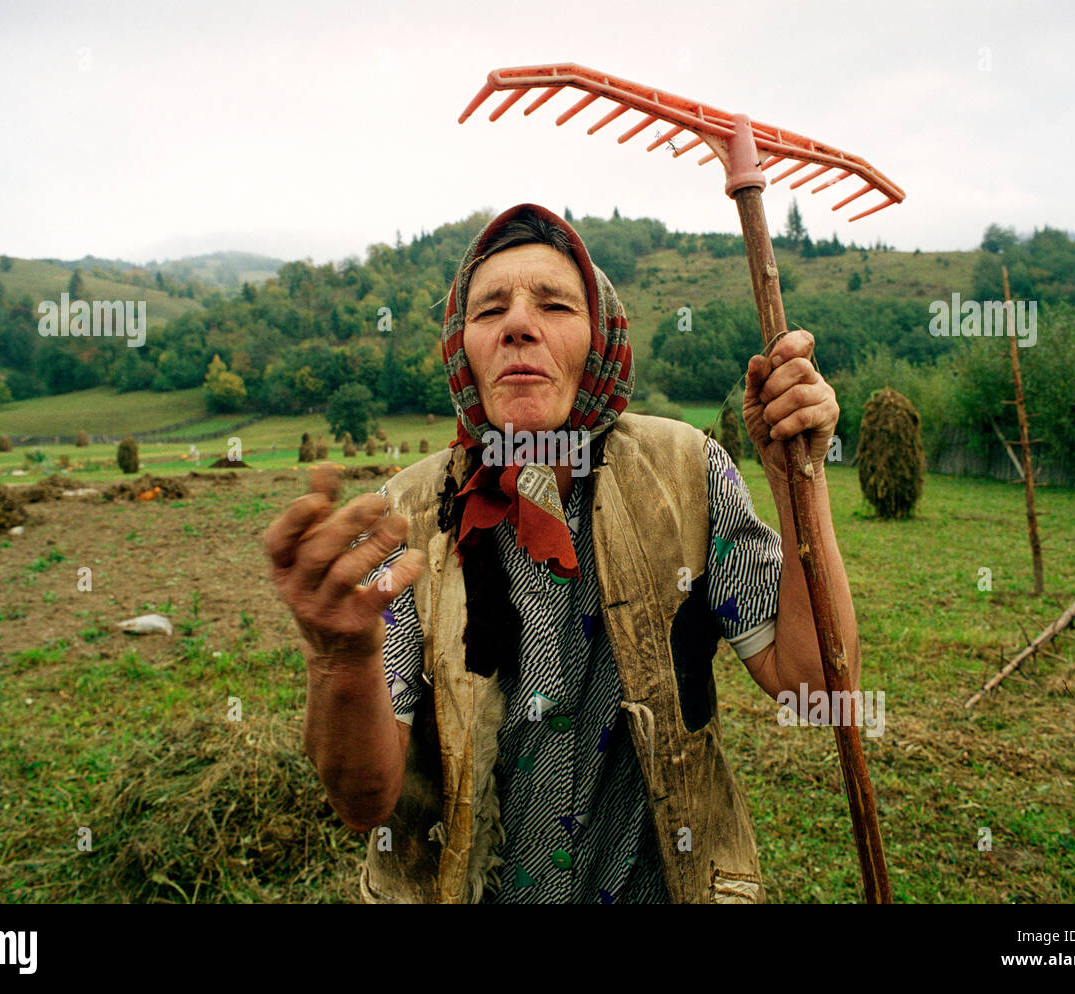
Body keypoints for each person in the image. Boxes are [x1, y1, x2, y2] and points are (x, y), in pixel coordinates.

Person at [264, 203, 860, 903]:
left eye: (554, 304)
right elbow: (364, 804)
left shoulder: (686, 474)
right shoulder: (406, 518)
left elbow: (817, 690)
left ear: (601, 339)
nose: (520, 323)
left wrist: (799, 481)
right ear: (463, 350)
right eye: (490, 311)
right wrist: (341, 661)